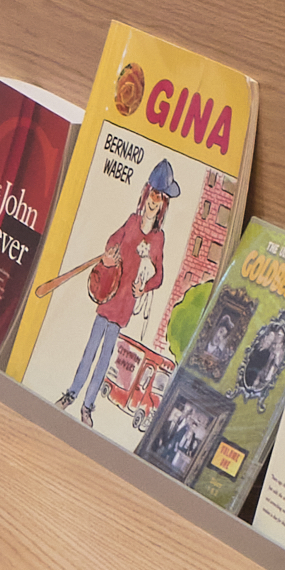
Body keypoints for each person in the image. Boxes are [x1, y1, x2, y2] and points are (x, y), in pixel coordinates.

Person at [61, 155, 188, 421]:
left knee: (105, 357)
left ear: (164, 205)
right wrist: (109, 255)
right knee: (89, 351)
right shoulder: (131, 222)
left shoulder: (158, 238)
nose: (154, 202)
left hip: (124, 305)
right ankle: (71, 393)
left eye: (160, 198)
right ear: (146, 194)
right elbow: (112, 240)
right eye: (153, 195)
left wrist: (145, 287)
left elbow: (160, 275)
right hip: (109, 294)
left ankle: (88, 405)